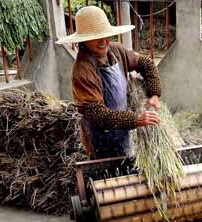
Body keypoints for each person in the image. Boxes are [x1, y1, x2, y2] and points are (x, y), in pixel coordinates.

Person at [57, 6, 161, 159]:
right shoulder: (82, 70)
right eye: (96, 37)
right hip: (101, 138)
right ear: (84, 41)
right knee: (107, 173)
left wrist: (155, 94)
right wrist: (135, 119)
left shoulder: (116, 51)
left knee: (127, 161)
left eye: (105, 36)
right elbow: (96, 113)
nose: (103, 41)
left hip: (123, 128)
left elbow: (146, 63)